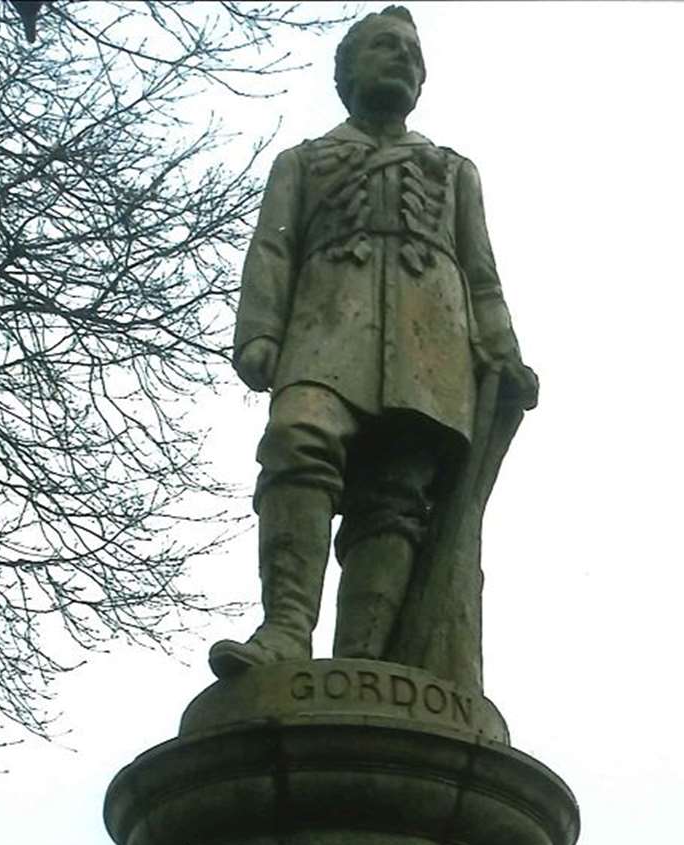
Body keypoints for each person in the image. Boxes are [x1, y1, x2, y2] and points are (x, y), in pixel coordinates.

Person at [208, 5, 537, 684]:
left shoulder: (452, 170)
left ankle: (365, 663)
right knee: (298, 440)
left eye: (414, 56)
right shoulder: (302, 161)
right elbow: (273, 249)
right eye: (387, 48)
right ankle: (284, 632)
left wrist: (502, 349)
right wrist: (260, 330)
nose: (405, 62)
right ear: (347, 70)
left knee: (395, 497)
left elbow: (481, 272)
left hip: (431, 350)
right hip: (325, 332)